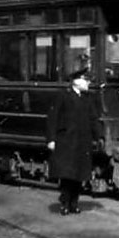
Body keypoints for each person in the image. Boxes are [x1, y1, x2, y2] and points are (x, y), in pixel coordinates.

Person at [45, 68, 101, 215]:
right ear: (76, 82)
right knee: (67, 175)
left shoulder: (86, 99)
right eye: (85, 79)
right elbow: (53, 119)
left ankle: (74, 204)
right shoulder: (63, 96)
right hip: (66, 142)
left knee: (79, 175)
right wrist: (51, 139)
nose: (88, 82)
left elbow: (93, 120)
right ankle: (65, 203)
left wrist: (99, 137)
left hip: (82, 143)